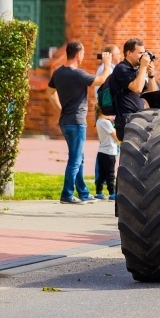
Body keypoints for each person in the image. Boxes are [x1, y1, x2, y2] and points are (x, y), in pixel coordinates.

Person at [47, 41, 112, 204]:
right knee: (75, 160)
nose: (83, 56)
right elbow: (100, 80)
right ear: (78, 55)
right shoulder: (78, 74)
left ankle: (83, 192)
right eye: (82, 54)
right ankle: (67, 194)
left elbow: (50, 93)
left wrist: (61, 109)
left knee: (78, 157)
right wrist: (107, 65)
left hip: (65, 122)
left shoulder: (58, 72)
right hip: (76, 123)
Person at [109, 38, 158, 140]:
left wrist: (151, 75)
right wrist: (143, 67)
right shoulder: (121, 68)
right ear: (129, 53)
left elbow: (153, 94)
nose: (143, 56)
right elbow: (137, 88)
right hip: (126, 118)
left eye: (144, 53)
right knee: (130, 152)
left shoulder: (137, 71)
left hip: (139, 116)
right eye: (140, 53)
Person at [94, 103, 120, 200]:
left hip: (101, 151)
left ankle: (99, 192)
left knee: (101, 173)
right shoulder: (106, 123)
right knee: (110, 173)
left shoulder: (99, 121)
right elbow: (115, 136)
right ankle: (112, 193)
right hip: (110, 151)